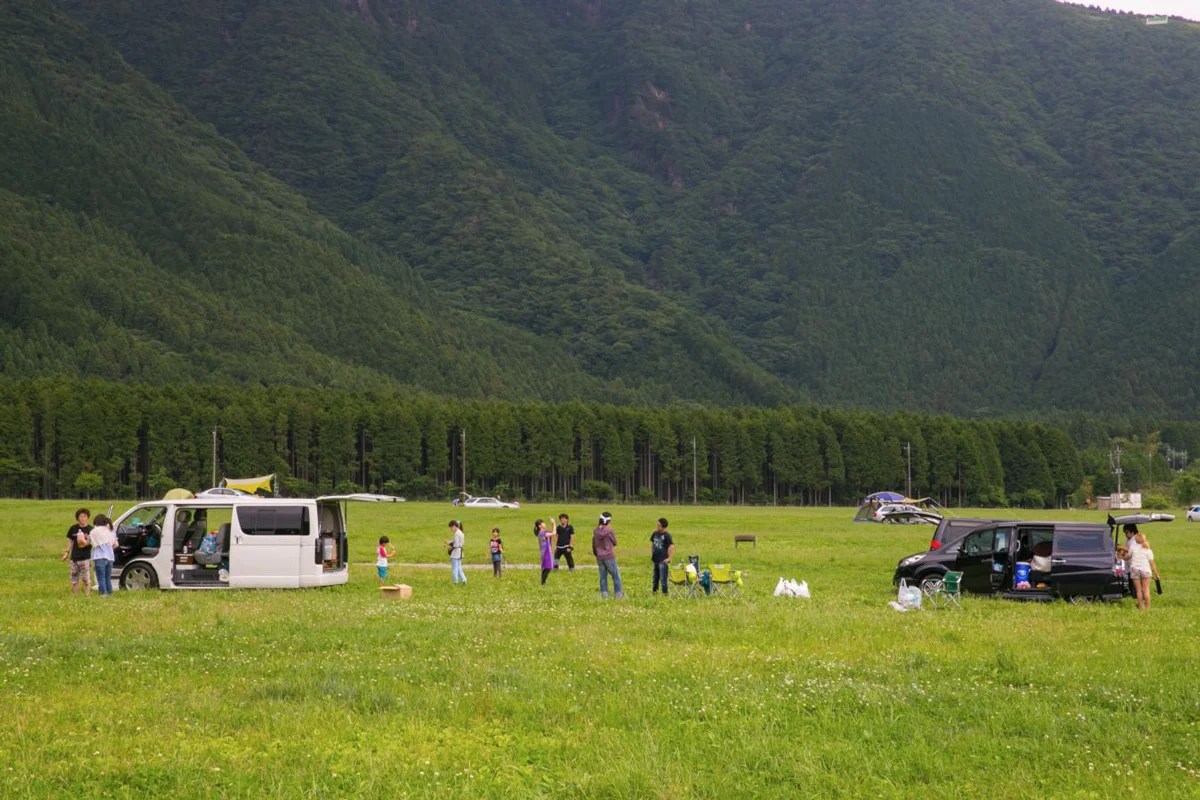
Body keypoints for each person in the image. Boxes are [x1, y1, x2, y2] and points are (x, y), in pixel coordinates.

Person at [61, 508, 93, 596]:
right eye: (81, 516)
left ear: (87, 518)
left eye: (85, 516)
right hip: (74, 557)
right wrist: (66, 553)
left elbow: (93, 542)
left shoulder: (91, 529)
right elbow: (70, 541)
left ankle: (87, 596)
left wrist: (85, 542)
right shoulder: (73, 528)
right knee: (74, 578)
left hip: (85, 557)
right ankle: (76, 595)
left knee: (86, 578)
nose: (83, 518)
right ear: (78, 518)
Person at [592, 511, 623, 599]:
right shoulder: (609, 530)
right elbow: (615, 542)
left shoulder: (596, 530)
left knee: (602, 576)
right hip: (609, 556)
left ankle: (604, 595)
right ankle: (618, 594)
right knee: (615, 575)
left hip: (599, 557)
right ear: (609, 521)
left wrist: (596, 553)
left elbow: (594, 543)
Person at [1128, 532, 1161, 611]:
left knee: (1138, 590)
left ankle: (1141, 606)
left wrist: (1122, 557)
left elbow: (1128, 557)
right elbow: (1152, 563)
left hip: (1135, 569)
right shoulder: (1148, 549)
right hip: (1145, 570)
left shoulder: (1132, 547)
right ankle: (1147, 607)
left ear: (1136, 540)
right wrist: (1156, 574)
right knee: (1146, 590)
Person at [88, 514, 118, 597]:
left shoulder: (94, 531)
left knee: (100, 577)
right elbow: (115, 544)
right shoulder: (111, 530)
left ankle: (103, 594)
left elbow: (92, 543)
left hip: (100, 556)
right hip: (110, 557)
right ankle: (110, 593)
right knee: (107, 577)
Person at [650, 517, 675, 596]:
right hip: (655, 559)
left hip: (663, 560)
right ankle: (654, 592)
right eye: (657, 525)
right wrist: (652, 552)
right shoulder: (655, 533)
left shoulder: (667, 535)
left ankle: (665, 593)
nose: (657, 527)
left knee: (663, 578)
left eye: (659, 525)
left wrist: (669, 558)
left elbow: (672, 546)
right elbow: (652, 543)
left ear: (663, 527)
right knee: (655, 578)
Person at [535, 519, 554, 585]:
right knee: (548, 567)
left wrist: (553, 525)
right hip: (546, 551)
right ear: (540, 526)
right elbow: (554, 533)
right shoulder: (542, 533)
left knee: (546, 567)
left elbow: (552, 532)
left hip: (545, 551)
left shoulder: (543, 532)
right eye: (543, 523)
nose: (545, 524)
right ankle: (543, 582)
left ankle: (543, 581)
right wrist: (554, 523)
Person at [447, 520, 466, 585]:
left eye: (451, 527)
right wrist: (451, 542)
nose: (451, 529)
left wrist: (450, 544)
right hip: (460, 553)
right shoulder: (461, 532)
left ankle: (455, 582)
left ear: (454, 526)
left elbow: (456, 545)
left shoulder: (457, 533)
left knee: (454, 568)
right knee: (459, 568)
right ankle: (464, 580)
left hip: (456, 554)